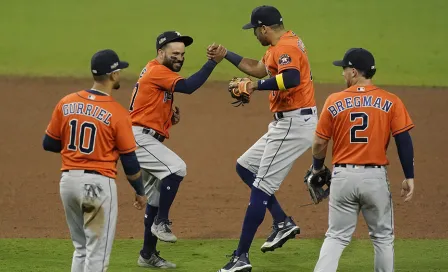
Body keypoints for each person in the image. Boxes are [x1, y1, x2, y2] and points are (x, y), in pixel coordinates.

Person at [208, 5, 318, 272]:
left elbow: (290, 78)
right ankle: (282, 221)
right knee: (244, 166)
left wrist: (255, 87)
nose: (254, 35)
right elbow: (257, 69)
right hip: (287, 122)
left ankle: (241, 257)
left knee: (261, 187)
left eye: (255, 30)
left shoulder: (286, 48)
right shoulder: (279, 46)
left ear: (264, 28)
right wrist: (226, 56)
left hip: (293, 124)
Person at [309, 48, 415, 272]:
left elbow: (319, 143)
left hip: (343, 178)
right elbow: (403, 140)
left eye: (344, 70)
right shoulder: (391, 101)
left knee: (336, 238)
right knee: (383, 238)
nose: (343, 74)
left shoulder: (334, 100)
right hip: (374, 179)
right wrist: (409, 176)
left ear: (354, 72)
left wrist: (317, 168)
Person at [43, 49, 147, 272]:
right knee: (97, 256)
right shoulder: (117, 113)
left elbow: (49, 143)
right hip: (98, 186)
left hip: (68, 183)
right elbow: (129, 161)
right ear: (113, 75)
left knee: (80, 248)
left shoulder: (66, 102)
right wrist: (139, 191)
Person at [129, 31, 226, 268]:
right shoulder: (157, 70)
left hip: (145, 137)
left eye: (182, 54)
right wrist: (212, 62)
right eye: (174, 54)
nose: (180, 58)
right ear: (161, 53)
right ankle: (162, 222)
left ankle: (147, 254)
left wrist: (167, 119)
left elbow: (148, 105)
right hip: (139, 139)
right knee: (176, 169)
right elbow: (190, 86)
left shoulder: (157, 71)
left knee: (155, 197)